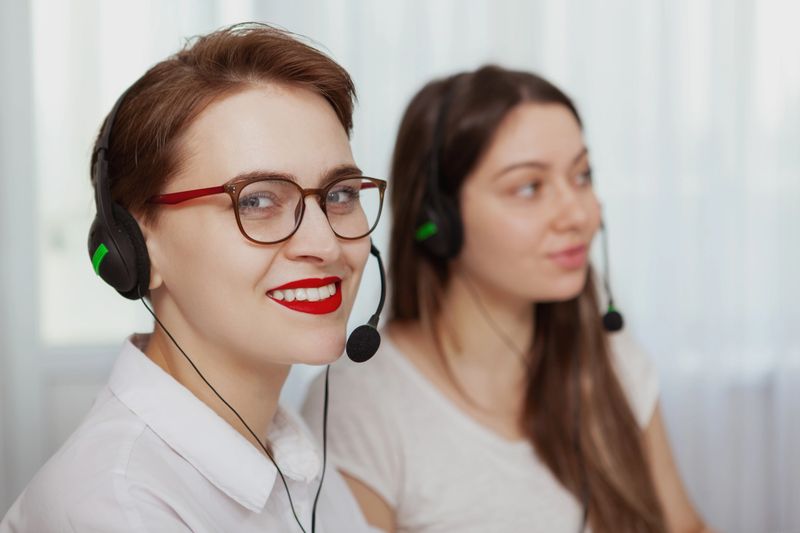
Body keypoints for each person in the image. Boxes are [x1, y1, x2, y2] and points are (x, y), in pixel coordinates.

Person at [1, 23, 386, 533]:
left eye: (339, 194)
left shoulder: (291, 454)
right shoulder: (118, 509)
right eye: (257, 200)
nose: (326, 245)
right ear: (133, 248)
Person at [303, 65, 714, 532]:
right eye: (529, 187)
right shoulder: (361, 403)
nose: (579, 214)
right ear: (438, 221)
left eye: (582, 176)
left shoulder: (610, 355)